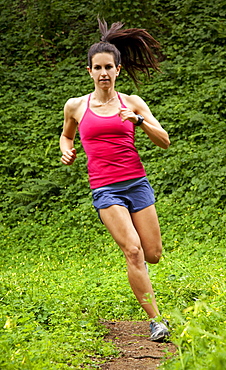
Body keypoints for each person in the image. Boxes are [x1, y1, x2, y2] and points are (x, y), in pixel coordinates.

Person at [60, 19, 170, 342]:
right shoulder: (76, 107)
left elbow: (163, 139)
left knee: (153, 254)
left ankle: (142, 280)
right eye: (98, 67)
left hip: (136, 183)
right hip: (105, 188)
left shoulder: (132, 103)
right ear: (89, 70)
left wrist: (138, 121)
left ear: (118, 69)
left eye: (109, 66)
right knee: (133, 251)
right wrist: (67, 151)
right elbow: (66, 138)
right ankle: (156, 320)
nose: (104, 73)